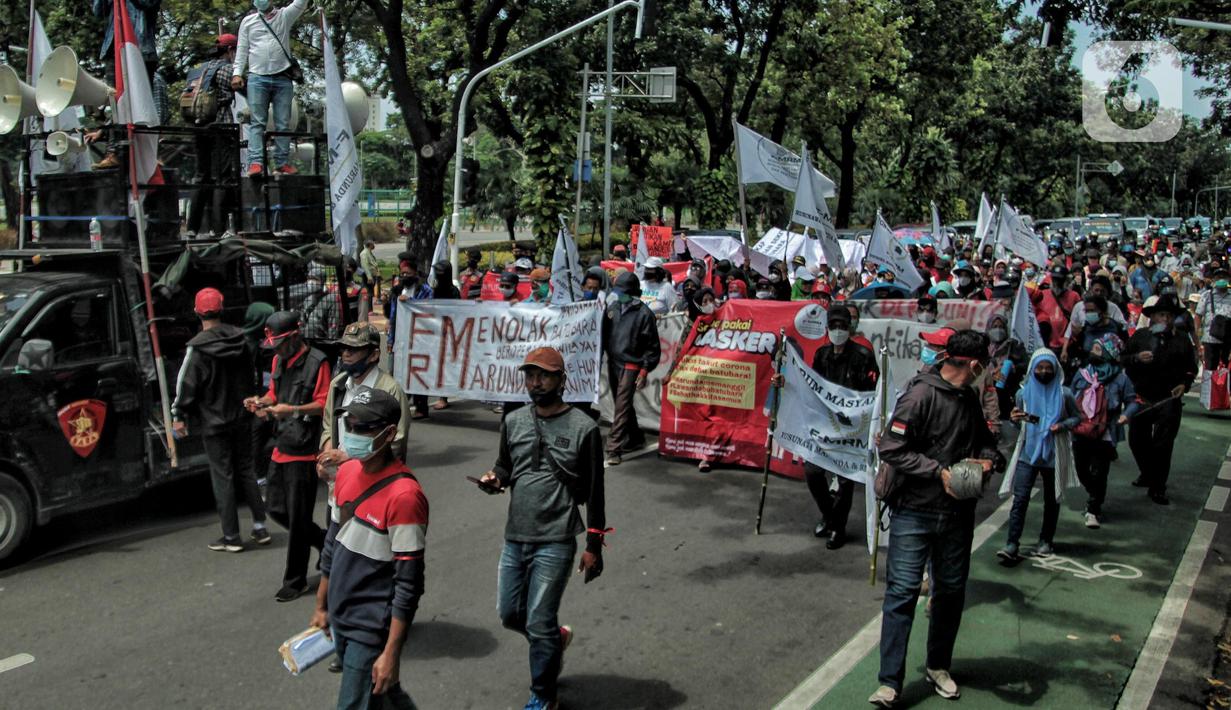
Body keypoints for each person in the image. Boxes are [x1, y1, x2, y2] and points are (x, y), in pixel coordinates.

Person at [870, 330, 1003, 706]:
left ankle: (938, 666)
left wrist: (989, 460)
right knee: (901, 594)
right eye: (985, 365)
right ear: (974, 365)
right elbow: (891, 447)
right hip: (914, 511)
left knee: (950, 593)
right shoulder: (919, 394)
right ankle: (889, 682)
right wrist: (938, 472)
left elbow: (987, 442)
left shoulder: (970, 399)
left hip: (958, 514)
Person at [476, 348, 607, 710]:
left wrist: (593, 545)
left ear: (562, 380)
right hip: (515, 535)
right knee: (509, 614)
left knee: (537, 618)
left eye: (544, 375)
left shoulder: (584, 429)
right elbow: (505, 465)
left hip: (557, 539)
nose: (536, 382)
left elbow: (595, 490)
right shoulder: (514, 420)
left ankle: (543, 695)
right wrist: (494, 478)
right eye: (531, 375)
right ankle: (552, 638)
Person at [312, 387, 425, 710]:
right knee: (383, 693)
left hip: (371, 624)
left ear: (389, 434)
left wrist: (392, 652)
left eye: (363, 428)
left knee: (352, 703)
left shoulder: (405, 497)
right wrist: (322, 604)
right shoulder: (345, 473)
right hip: (341, 613)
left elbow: (409, 583)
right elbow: (332, 544)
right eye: (349, 423)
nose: (353, 433)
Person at [172, 288, 269, 552]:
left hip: (214, 423)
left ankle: (231, 537)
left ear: (196, 312)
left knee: (223, 476)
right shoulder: (242, 340)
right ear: (222, 308)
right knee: (247, 469)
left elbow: (186, 386)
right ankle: (260, 527)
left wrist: (178, 415)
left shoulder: (197, 348)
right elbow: (252, 378)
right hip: (242, 417)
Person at [243, 311, 331, 601]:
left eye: (280, 343)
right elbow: (273, 393)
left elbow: (323, 405)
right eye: (273, 344)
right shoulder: (279, 360)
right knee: (276, 510)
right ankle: (323, 541)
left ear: (295, 336)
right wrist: (260, 402)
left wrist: (291, 410)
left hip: (304, 451)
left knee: (297, 518)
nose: (277, 349)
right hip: (282, 446)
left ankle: (295, 581)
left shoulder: (318, 362)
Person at [775, 305, 879, 548]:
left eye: (843, 326)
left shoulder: (863, 356)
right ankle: (829, 515)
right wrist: (786, 382)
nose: (838, 331)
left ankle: (838, 528)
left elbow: (873, 393)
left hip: (852, 429)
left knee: (845, 481)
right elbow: (810, 386)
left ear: (849, 328)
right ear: (827, 328)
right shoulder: (822, 355)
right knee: (813, 472)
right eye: (834, 326)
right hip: (825, 426)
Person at [997, 350, 1079, 562]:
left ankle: (1046, 541)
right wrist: (1014, 419)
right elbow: (1017, 422)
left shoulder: (1065, 394)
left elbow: (1077, 418)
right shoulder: (1022, 394)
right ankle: (1012, 543)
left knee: (1052, 501)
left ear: (1055, 369)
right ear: (1032, 369)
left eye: (1048, 367)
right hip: (1027, 454)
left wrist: (1062, 425)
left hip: (1053, 455)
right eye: (1039, 367)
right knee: (1020, 499)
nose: (1044, 371)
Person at [1123, 296, 1198, 505]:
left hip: (1169, 399)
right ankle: (1147, 473)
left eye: (1169, 315)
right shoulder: (1140, 337)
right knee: (1137, 441)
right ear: (1153, 317)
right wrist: (1137, 358)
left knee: (1163, 445)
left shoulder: (1182, 339)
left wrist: (1185, 384)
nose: (1165, 318)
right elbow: (1123, 359)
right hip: (1141, 398)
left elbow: (1192, 367)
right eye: (1161, 314)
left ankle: (1158, 486)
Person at [232, 0, 309, 175]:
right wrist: (237, 72)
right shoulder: (248, 21)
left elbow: (301, 3)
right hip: (257, 78)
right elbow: (242, 49)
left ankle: (282, 163)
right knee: (257, 123)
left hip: (283, 77)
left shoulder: (284, 16)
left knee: (283, 123)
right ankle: (255, 163)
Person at [1069, 334, 1139, 529]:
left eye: (1098, 350)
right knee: (1081, 470)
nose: (1093, 353)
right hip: (1081, 429)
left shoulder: (1121, 378)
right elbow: (1070, 395)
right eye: (1094, 349)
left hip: (1105, 432)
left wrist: (1126, 415)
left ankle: (1094, 508)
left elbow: (1133, 401)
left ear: (1110, 352)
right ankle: (1095, 492)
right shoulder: (1083, 373)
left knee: (1100, 472)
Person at [602, 272, 660, 466]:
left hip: (631, 364)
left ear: (633, 293)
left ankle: (613, 448)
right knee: (623, 403)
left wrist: (644, 371)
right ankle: (635, 437)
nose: (619, 295)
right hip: (614, 362)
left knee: (621, 406)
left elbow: (652, 348)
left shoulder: (645, 314)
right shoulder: (613, 308)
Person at [185, 34, 240, 237]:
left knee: (201, 177)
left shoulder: (196, 70)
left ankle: (192, 228)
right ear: (230, 50)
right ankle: (219, 229)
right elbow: (244, 87)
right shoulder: (228, 69)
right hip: (221, 128)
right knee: (222, 178)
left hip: (198, 128)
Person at [1195, 267, 1231, 370]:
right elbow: (1198, 316)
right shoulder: (1206, 295)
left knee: (1226, 371)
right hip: (1210, 339)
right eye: (1218, 277)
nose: (1221, 279)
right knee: (1210, 370)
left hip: (1227, 340)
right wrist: (1198, 338)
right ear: (1213, 279)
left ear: (1228, 279)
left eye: (1224, 277)